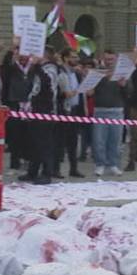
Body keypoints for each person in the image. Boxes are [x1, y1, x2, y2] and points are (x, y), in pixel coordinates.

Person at [3, 39, 55, 185]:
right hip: (30, 110)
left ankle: (47, 173)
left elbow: (47, 83)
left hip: (44, 110)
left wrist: (38, 66)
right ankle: (32, 171)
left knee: (44, 143)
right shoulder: (32, 69)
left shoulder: (49, 68)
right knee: (33, 144)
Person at [88, 50, 126, 177]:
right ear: (102, 59)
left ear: (116, 60)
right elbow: (89, 92)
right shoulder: (96, 74)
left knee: (115, 140)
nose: (109, 62)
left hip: (116, 111)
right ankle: (100, 164)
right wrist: (90, 88)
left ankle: (113, 165)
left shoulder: (122, 74)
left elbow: (130, 92)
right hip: (100, 111)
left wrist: (123, 85)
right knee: (99, 140)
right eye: (107, 59)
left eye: (112, 59)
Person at [55, 48, 84, 178]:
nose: (76, 59)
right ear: (66, 58)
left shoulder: (76, 73)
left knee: (73, 141)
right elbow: (59, 92)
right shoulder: (59, 72)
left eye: (76, 57)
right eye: (73, 57)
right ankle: (56, 169)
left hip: (75, 110)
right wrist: (70, 93)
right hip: (64, 110)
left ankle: (74, 168)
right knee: (60, 141)